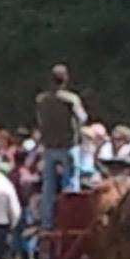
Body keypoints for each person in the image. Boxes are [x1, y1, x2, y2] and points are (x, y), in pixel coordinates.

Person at [36, 63, 87, 230]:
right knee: (71, 184)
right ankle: (69, 220)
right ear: (65, 80)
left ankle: (47, 223)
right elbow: (82, 118)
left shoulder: (42, 100)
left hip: (49, 146)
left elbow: (40, 121)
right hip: (68, 146)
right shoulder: (71, 99)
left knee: (48, 188)